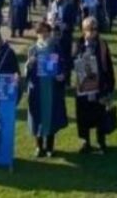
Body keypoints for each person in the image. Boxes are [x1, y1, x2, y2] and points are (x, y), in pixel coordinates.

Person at [26, 22, 68, 158]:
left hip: (51, 87)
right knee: (37, 117)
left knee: (51, 117)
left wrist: (62, 74)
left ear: (49, 32)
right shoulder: (32, 49)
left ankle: (50, 147)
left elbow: (62, 63)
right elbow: (27, 71)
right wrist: (29, 65)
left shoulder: (55, 47)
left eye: (46, 32)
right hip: (37, 88)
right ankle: (39, 147)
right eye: (40, 32)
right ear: (37, 33)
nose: (43, 34)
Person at [73, 17, 115, 154]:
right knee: (84, 115)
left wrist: (110, 85)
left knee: (100, 113)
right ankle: (86, 142)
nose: (93, 32)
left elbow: (108, 65)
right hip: (83, 86)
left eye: (95, 29)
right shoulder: (78, 43)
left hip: (99, 85)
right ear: (84, 30)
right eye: (90, 29)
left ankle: (101, 142)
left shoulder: (102, 44)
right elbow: (72, 59)